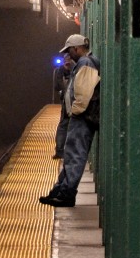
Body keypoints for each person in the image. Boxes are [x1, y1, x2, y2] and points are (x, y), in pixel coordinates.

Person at [40, 34, 100, 208]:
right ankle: (59, 191)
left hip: (82, 117)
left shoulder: (86, 63)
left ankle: (67, 194)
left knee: (75, 155)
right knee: (70, 154)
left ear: (77, 48)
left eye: (69, 51)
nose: (68, 55)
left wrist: (75, 111)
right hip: (80, 116)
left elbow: (84, 91)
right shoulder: (85, 63)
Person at [52, 52, 75, 158]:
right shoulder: (60, 71)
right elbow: (57, 86)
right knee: (64, 125)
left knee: (69, 125)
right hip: (66, 102)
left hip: (75, 101)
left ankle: (67, 150)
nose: (67, 62)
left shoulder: (75, 69)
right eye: (66, 59)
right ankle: (60, 150)